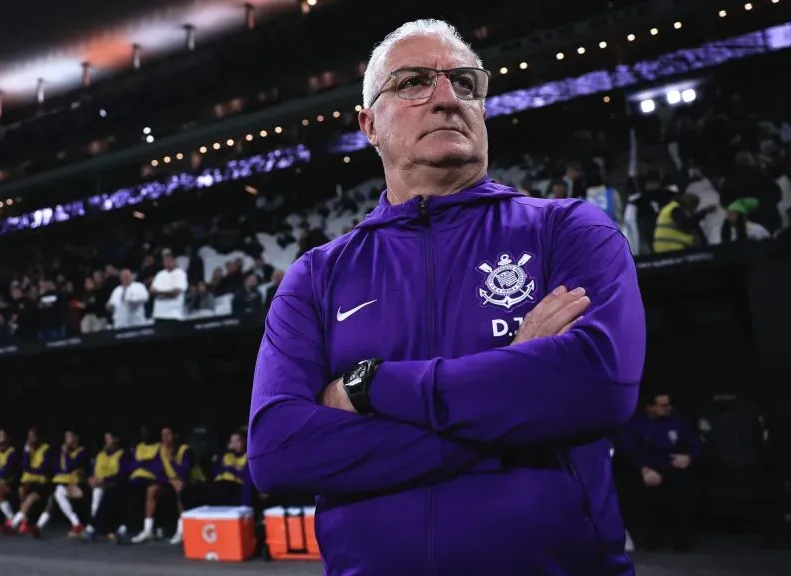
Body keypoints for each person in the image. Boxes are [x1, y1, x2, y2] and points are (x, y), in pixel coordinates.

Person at [248, 19, 645, 575]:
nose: (445, 98)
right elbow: (278, 452)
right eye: (413, 82)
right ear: (369, 125)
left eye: (464, 83)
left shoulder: (569, 230)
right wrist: (514, 390)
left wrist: (371, 385)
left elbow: (597, 387)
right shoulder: (316, 277)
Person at [618, 392, 701, 551]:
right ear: (650, 406)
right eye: (663, 405)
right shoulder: (635, 425)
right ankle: (649, 539)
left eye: (668, 404)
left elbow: (694, 442)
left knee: (684, 489)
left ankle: (681, 541)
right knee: (641, 493)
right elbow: (627, 451)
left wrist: (689, 457)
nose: (667, 408)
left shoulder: (675, 422)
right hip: (645, 469)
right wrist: (644, 469)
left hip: (672, 467)